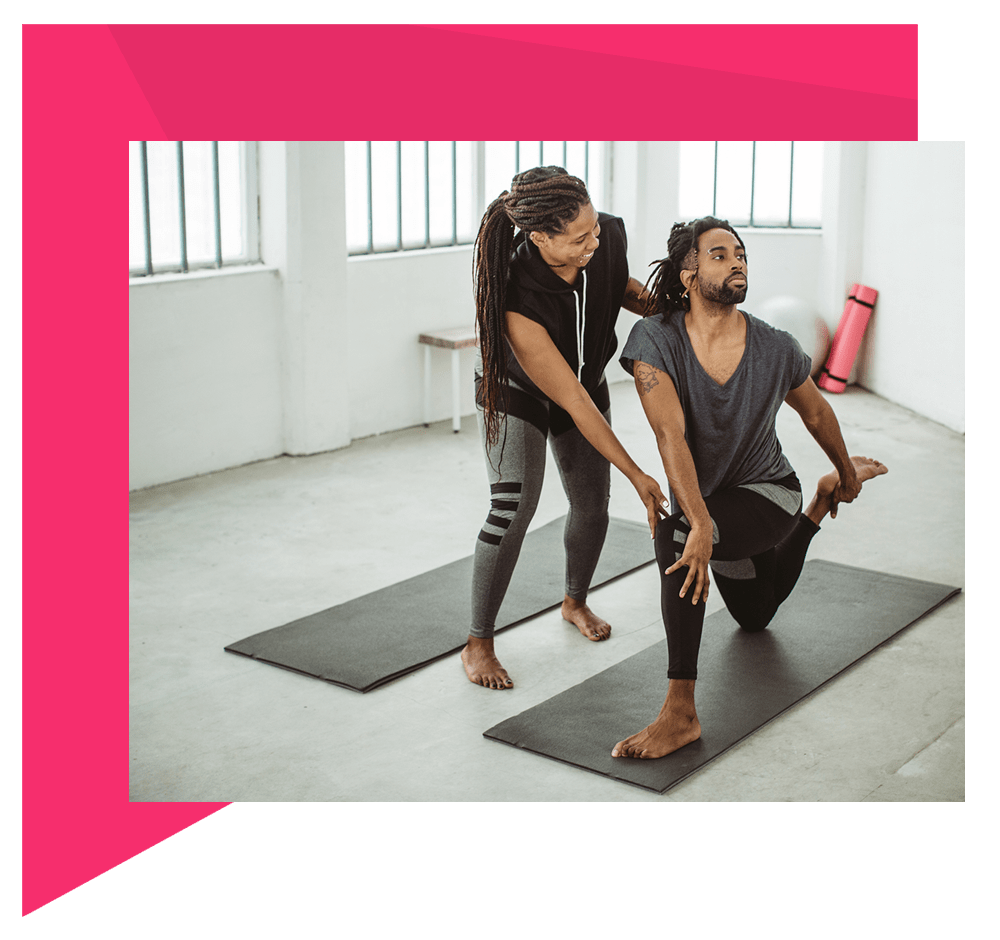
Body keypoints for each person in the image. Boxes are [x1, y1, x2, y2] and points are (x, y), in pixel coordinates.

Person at [612, 216, 888, 758]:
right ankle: (817, 506)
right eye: (719, 254)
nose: (736, 261)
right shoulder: (656, 339)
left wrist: (850, 474)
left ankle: (680, 712)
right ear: (688, 272)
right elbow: (670, 436)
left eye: (740, 253)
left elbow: (816, 413)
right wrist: (703, 519)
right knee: (755, 614)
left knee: (676, 533)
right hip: (709, 499)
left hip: (767, 492)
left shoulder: (775, 346)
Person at [464, 166, 668, 690]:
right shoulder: (517, 298)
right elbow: (575, 403)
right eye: (579, 239)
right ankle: (478, 642)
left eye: (595, 229)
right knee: (513, 505)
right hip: (518, 391)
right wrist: (637, 472)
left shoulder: (603, 237)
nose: (593, 242)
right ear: (540, 238)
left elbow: (618, 285)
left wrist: (667, 309)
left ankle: (574, 601)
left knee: (591, 505)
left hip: (584, 374)